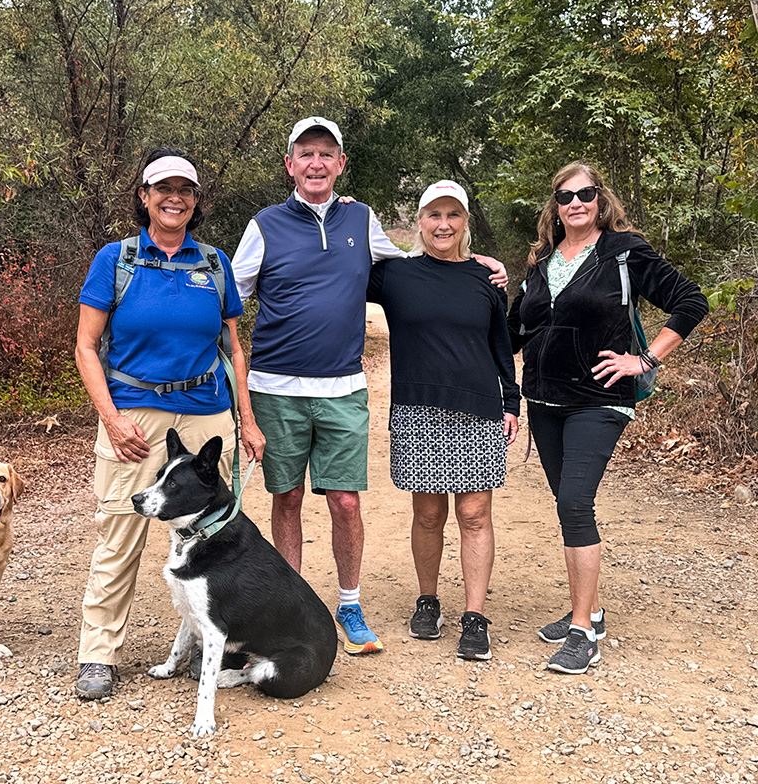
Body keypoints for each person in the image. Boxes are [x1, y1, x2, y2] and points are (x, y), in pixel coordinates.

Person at [232, 117, 506, 655]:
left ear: (341, 165)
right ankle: (291, 605)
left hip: (343, 388)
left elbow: (411, 263)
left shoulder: (361, 218)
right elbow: (229, 299)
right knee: (285, 499)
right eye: (305, 154)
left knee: (347, 504)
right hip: (275, 387)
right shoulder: (264, 224)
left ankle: (349, 602)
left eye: (326, 154)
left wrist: (474, 265)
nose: (316, 163)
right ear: (289, 164)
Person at [72, 147, 265, 700]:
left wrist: (246, 420)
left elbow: (233, 345)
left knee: (214, 535)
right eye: (163, 189)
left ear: (195, 201)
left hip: (206, 413)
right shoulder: (117, 259)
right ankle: (99, 654)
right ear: (144, 196)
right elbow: (86, 347)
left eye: (184, 190)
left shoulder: (212, 263)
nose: (173, 198)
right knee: (121, 532)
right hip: (134, 412)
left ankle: (216, 637)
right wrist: (110, 419)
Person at [508, 161, 708, 674]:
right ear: (554, 206)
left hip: (600, 400)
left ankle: (581, 633)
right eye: (565, 196)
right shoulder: (542, 262)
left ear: (601, 200)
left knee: (576, 501)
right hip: (545, 402)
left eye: (586, 194)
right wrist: (486, 281)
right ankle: (590, 610)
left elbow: (690, 301)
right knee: (567, 503)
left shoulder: (624, 252)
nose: (576, 203)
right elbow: (513, 330)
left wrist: (644, 359)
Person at [365, 180, 520, 662]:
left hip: (477, 407)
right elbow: (340, 263)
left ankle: (475, 617)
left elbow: (501, 345)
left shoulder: (486, 280)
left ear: (465, 222)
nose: (443, 224)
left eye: (453, 215)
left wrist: (511, 401)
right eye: (434, 215)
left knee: (475, 515)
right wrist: (344, 206)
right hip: (417, 407)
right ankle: (427, 600)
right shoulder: (395, 276)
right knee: (428, 513)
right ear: (420, 221)